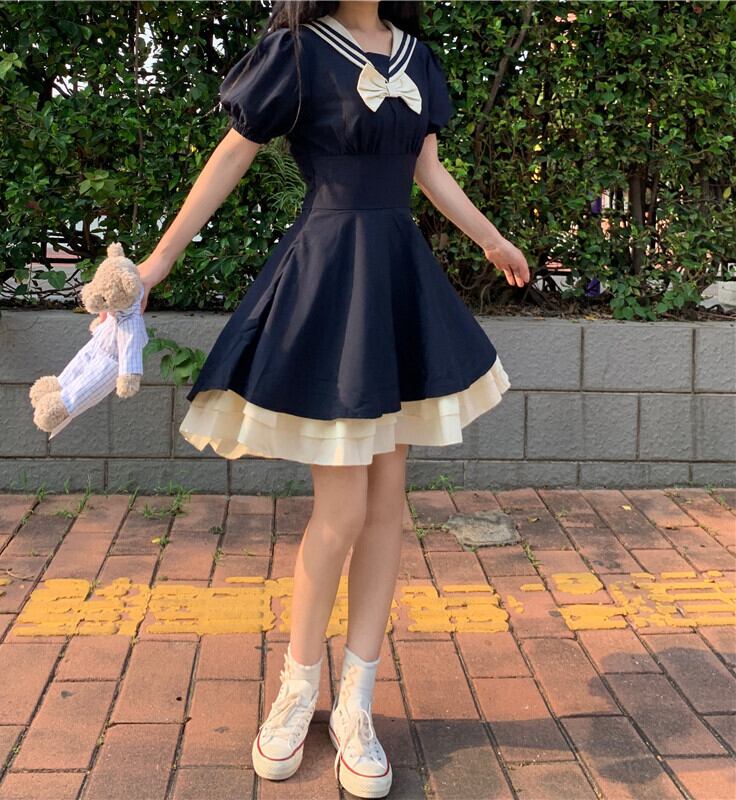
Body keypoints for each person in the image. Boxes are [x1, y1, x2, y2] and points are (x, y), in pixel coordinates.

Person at [116, 2, 529, 797]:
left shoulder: (416, 54)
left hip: (396, 282)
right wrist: (158, 263)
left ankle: (357, 703)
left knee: (385, 511)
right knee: (341, 512)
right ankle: (297, 690)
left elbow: (427, 169)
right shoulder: (299, 52)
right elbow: (233, 154)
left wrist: (490, 238)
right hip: (332, 282)